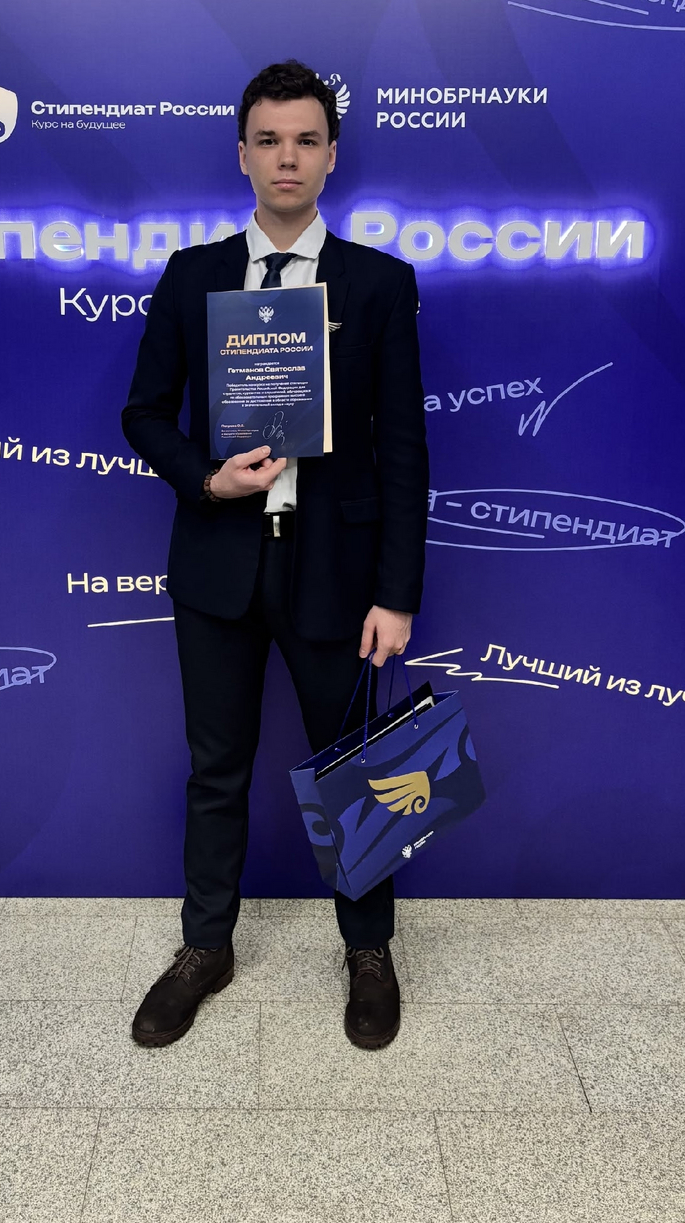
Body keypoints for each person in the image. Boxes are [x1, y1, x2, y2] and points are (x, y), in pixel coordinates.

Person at [121, 59, 428, 1050]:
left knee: (358, 770)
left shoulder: (379, 284)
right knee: (216, 769)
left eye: (306, 140)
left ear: (332, 156)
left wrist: (397, 593)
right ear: (243, 155)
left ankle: (368, 950)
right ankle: (204, 947)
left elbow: (404, 451)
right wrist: (207, 477)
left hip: (337, 574)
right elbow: (142, 413)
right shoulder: (193, 275)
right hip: (219, 564)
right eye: (268, 140)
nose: (286, 157)